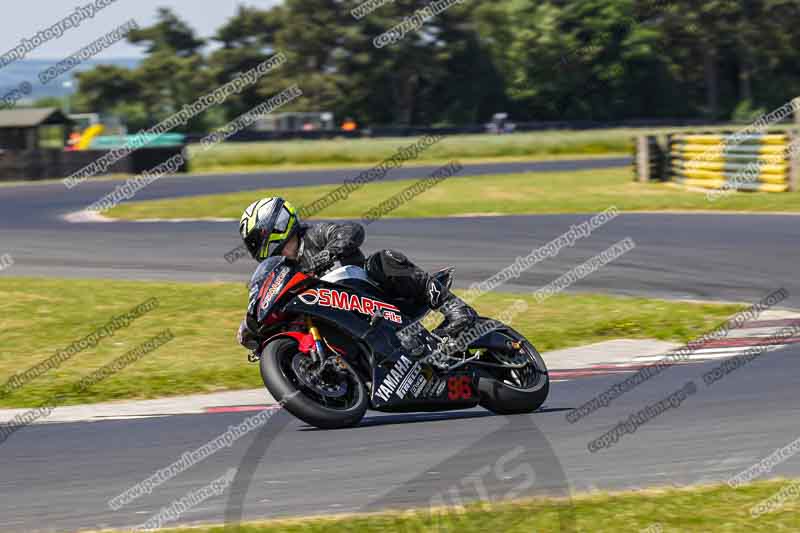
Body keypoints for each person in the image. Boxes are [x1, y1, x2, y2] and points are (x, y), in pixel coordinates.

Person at [236, 197, 477, 351]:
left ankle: (457, 309)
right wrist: (251, 326)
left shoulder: (314, 235)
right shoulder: (284, 271)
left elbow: (351, 230)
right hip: (338, 319)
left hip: (371, 296)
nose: (256, 248)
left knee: (382, 260)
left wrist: (330, 252)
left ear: (276, 225)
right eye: (252, 244)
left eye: (257, 240)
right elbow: (267, 296)